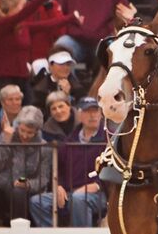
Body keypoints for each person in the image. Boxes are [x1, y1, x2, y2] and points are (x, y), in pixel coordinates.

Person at [0, 0, 63, 106]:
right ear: (13, 8)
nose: (25, 9)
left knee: (30, 112)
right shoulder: (1, 25)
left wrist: (72, 18)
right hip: (4, 81)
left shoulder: (22, 26)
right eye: (23, 6)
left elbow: (48, 24)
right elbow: (24, 14)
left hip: (22, 79)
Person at [41, 97, 111, 227]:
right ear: (79, 115)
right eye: (87, 111)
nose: (92, 115)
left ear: (101, 114)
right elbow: (58, 168)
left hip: (101, 194)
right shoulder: (69, 141)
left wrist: (97, 185)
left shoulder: (109, 139)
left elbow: (116, 169)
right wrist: (58, 185)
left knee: (79, 199)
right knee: (38, 202)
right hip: (70, 192)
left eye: (95, 111)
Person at [0, 105, 49, 225]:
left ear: (37, 131)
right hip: (3, 186)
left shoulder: (44, 147)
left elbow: (43, 179)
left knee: (18, 191)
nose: (25, 135)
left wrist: (27, 183)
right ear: (17, 127)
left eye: (30, 133)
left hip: (25, 191)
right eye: (22, 130)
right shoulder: (6, 137)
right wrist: (5, 142)